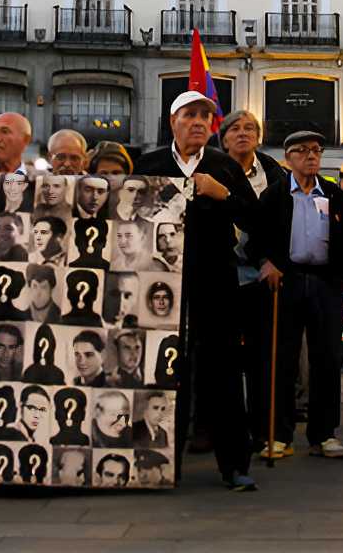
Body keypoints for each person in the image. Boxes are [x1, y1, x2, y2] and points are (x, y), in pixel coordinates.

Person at [136, 91, 258, 491]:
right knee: (163, 370)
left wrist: (222, 194)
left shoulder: (223, 166)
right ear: (173, 121)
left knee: (223, 370)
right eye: (191, 115)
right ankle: (158, 463)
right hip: (160, 284)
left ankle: (235, 464)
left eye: (207, 116)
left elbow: (254, 217)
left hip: (216, 281)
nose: (200, 122)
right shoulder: (150, 164)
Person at [253, 131, 343, 459]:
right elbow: (255, 239)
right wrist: (266, 262)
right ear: (288, 158)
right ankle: (279, 435)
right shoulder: (273, 195)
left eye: (315, 150)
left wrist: (341, 274)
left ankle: (323, 435)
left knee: (328, 360)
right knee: (282, 361)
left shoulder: (333, 193)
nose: (310, 156)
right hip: (285, 285)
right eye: (301, 151)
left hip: (325, 285)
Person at [217, 109, 289, 452]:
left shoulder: (276, 176)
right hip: (220, 274)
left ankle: (266, 429)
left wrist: (274, 259)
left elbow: (284, 225)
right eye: (235, 128)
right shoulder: (209, 170)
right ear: (224, 137)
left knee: (265, 360)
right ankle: (218, 429)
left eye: (250, 128)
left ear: (259, 138)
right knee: (221, 358)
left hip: (261, 274)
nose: (242, 133)